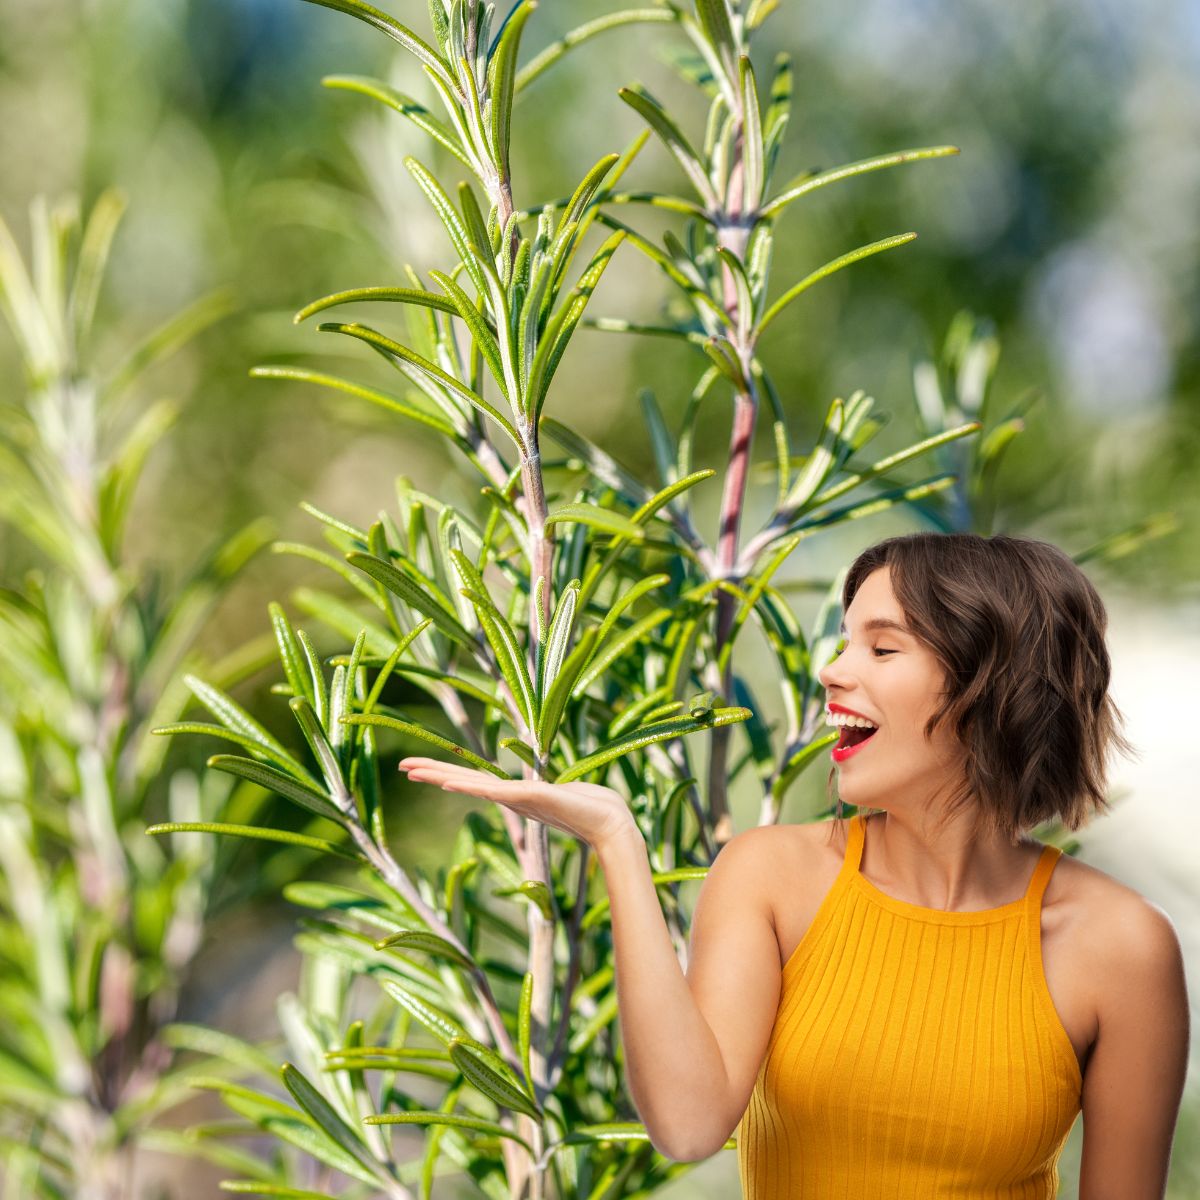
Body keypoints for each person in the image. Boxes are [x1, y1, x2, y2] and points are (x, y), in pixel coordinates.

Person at [398, 531, 1190, 1198]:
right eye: (846, 642)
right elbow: (688, 1123)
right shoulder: (772, 876)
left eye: (882, 647)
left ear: (992, 688)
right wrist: (617, 842)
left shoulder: (1120, 947)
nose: (832, 671)